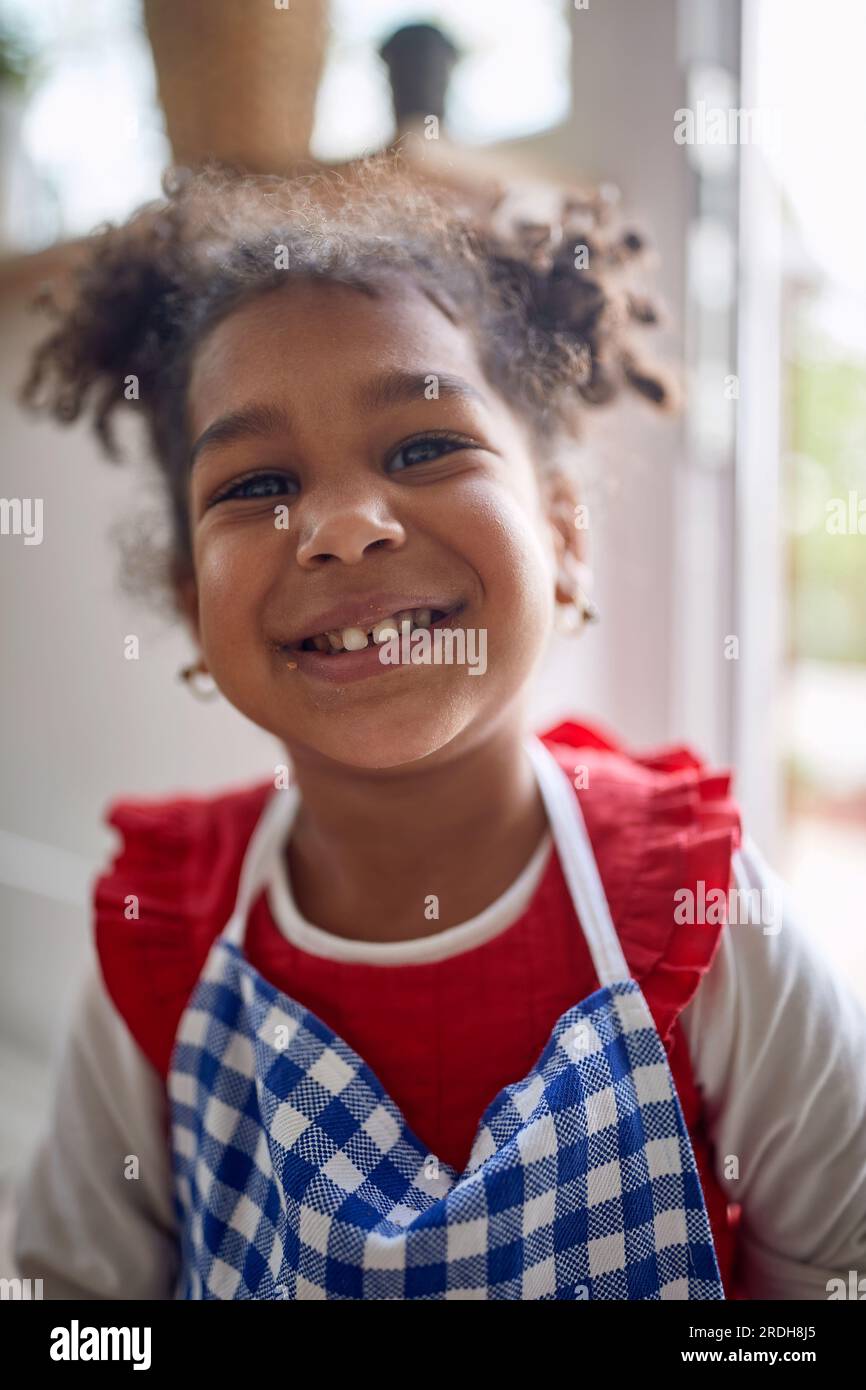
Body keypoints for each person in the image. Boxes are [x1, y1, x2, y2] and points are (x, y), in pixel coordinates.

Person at [13, 157, 866, 1300]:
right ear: (189, 602)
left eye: (422, 448)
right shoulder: (158, 937)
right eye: (254, 484)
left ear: (561, 534)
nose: (343, 525)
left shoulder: (706, 915)